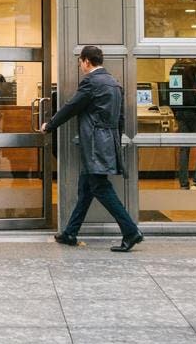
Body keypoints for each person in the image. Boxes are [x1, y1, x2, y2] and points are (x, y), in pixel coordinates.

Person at [43, 45, 143, 252]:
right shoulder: (114, 83)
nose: (80, 65)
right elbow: (120, 117)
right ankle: (71, 232)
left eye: (80, 61)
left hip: (95, 143)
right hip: (108, 140)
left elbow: (72, 107)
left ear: (87, 61)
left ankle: (131, 231)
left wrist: (50, 125)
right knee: (86, 188)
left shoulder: (91, 82)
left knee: (100, 187)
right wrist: (115, 139)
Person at [169, 58, 196, 190]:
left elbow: (172, 90)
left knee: (184, 148)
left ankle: (183, 183)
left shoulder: (175, 66)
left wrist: (175, 111)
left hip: (181, 111)